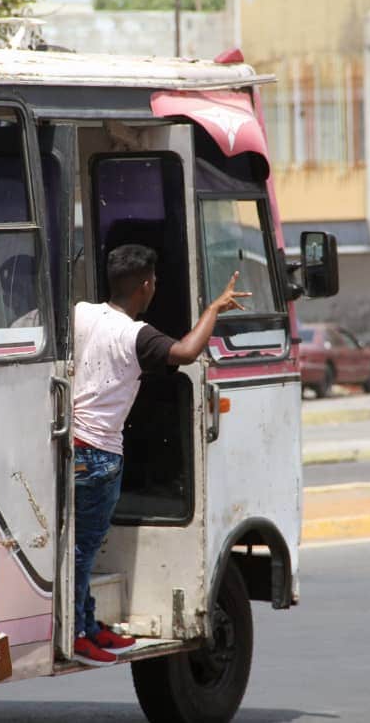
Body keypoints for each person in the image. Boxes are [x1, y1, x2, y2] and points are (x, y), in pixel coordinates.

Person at [70, 244, 250, 666]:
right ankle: (78, 633)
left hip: (73, 448)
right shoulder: (136, 334)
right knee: (83, 548)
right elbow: (187, 353)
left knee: (84, 545)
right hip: (98, 454)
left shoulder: (80, 313)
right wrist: (215, 308)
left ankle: (90, 623)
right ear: (147, 286)